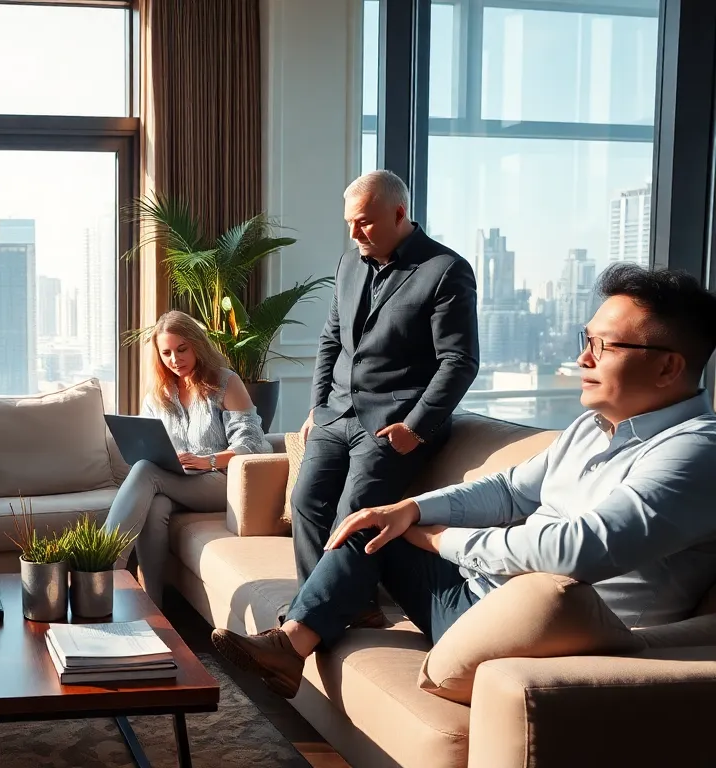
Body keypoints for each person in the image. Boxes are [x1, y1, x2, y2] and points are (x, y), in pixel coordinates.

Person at [211, 264, 716, 698]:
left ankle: (295, 637)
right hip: (479, 601)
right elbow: (510, 489)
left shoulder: (696, 453)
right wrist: (410, 512)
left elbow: (575, 550)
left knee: (386, 526)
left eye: (602, 347)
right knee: (374, 517)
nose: (583, 359)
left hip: (546, 639)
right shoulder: (591, 426)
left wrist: (442, 539)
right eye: (585, 341)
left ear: (669, 366)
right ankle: (291, 642)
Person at [290, 170, 479, 626]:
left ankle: (307, 623)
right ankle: (346, 605)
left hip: (394, 423)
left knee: (352, 513)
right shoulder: (348, 264)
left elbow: (459, 361)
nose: (354, 234)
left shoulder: (445, 270)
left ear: (399, 213)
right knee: (304, 503)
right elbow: (331, 341)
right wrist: (318, 406)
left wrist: (417, 427)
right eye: (349, 223)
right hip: (336, 413)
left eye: (365, 223)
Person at [103, 310, 267, 606]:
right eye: (166, 353)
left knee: (145, 472)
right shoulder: (158, 394)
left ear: (197, 345)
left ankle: (100, 567)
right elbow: (149, 444)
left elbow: (254, 444)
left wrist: (210, 460)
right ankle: (153, 606)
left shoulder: (225, 382)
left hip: (223, 480)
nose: (174, 359)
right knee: (156, 506)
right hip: (180, 481)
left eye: (181, 349)